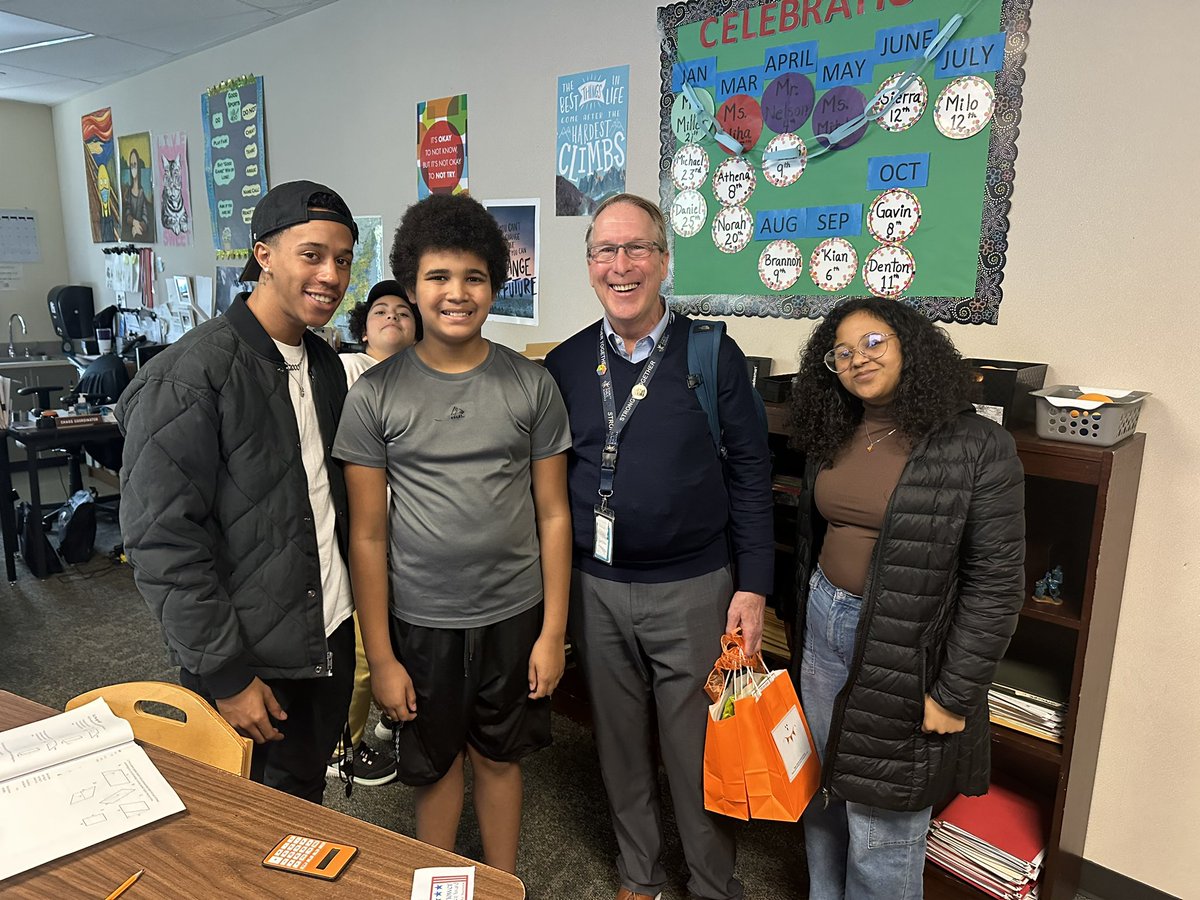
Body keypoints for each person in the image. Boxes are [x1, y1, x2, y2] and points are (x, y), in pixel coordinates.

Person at [543, 193, 773, 900]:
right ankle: (637, 875)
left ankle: (711, 883)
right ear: (589, 265)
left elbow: (751, 474)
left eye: (637, 248)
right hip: (596, 587)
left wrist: (753, 585)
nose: (622, 265)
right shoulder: (565, 363)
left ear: (664, 260)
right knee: (616, 742)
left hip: (694, 589)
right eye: (605, 251)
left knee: (696, 749)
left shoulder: (712, 354)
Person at [334, 194, 572, 874]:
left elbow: (554, 514)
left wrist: (553, 633)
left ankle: (500, 882)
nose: (457, 293)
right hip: (421, 620)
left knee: (499, 759)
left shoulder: (530, 385)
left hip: (514, 615)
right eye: (438, 277)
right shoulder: (375, 395)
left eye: (474, 277)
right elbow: (367, 537)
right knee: (434, 766)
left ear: (495, 286)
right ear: (411, 287)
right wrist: (382, 657)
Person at [116, 180, 360, 804]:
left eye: (342, 259)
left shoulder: (325, 366)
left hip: (326, 633)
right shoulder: (188, 377)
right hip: (248, 658)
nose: (330, 276)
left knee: (303, 804)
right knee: (240, 817)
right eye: (311, 255)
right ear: (264, 255)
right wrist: (225, 674)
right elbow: (162, 542)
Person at [785, 297, 1026, 900]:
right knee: (822, 789)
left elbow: (996, 583)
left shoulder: (977, 444)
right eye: (842, 352)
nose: (858, 359)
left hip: (906, 646)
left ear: (911, 347)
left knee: (883, 821)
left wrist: (954, 693)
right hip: (824, 621)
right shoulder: (835, 430)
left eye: (874, 342)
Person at [325, 279, 422, 787]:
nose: (392, 318)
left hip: (410, 539)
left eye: (403, 313)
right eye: (381, 311)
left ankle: (389, 715)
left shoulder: (422, 377)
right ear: (363, 329)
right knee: (364, 648)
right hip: (360, 536)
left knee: (404, 635)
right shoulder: (346, 370)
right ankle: (343, 746)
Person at [121, 148, 155, 242]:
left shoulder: (141, 193)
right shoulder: (128, 192)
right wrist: (134, 222)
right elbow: (127, 214)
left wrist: (137, 227)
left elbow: (145, 217)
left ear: (138, 166)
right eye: (131, 165)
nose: (133, 169)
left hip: (140, 232)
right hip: (130, 235)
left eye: (135, 165)